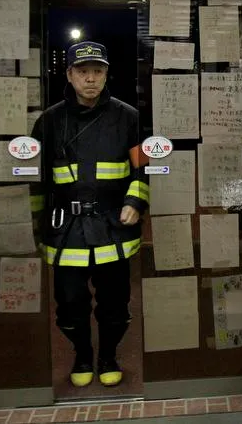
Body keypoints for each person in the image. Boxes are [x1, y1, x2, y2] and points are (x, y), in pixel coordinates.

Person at [31, 41, 149, 387]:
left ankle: (108, 355)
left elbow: (143, 168)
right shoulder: (49, 121)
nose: (91, 79)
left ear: (107, 74)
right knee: (69, 303)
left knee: (115, 302)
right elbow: (37, 179)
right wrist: (37, 226)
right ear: (69, 75)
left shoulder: (128, 117)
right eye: (83, 72)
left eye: (98, 71)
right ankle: (82, 355)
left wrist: (134, 202)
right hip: (66, 228)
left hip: (113, 225)